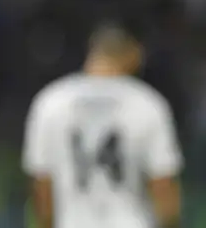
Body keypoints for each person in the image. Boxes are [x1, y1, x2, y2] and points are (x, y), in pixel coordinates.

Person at [22, 19, 182, 228]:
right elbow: (163, 186)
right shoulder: (147, 103)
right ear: (133, 54)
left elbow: (42, 186)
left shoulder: (51, 102)